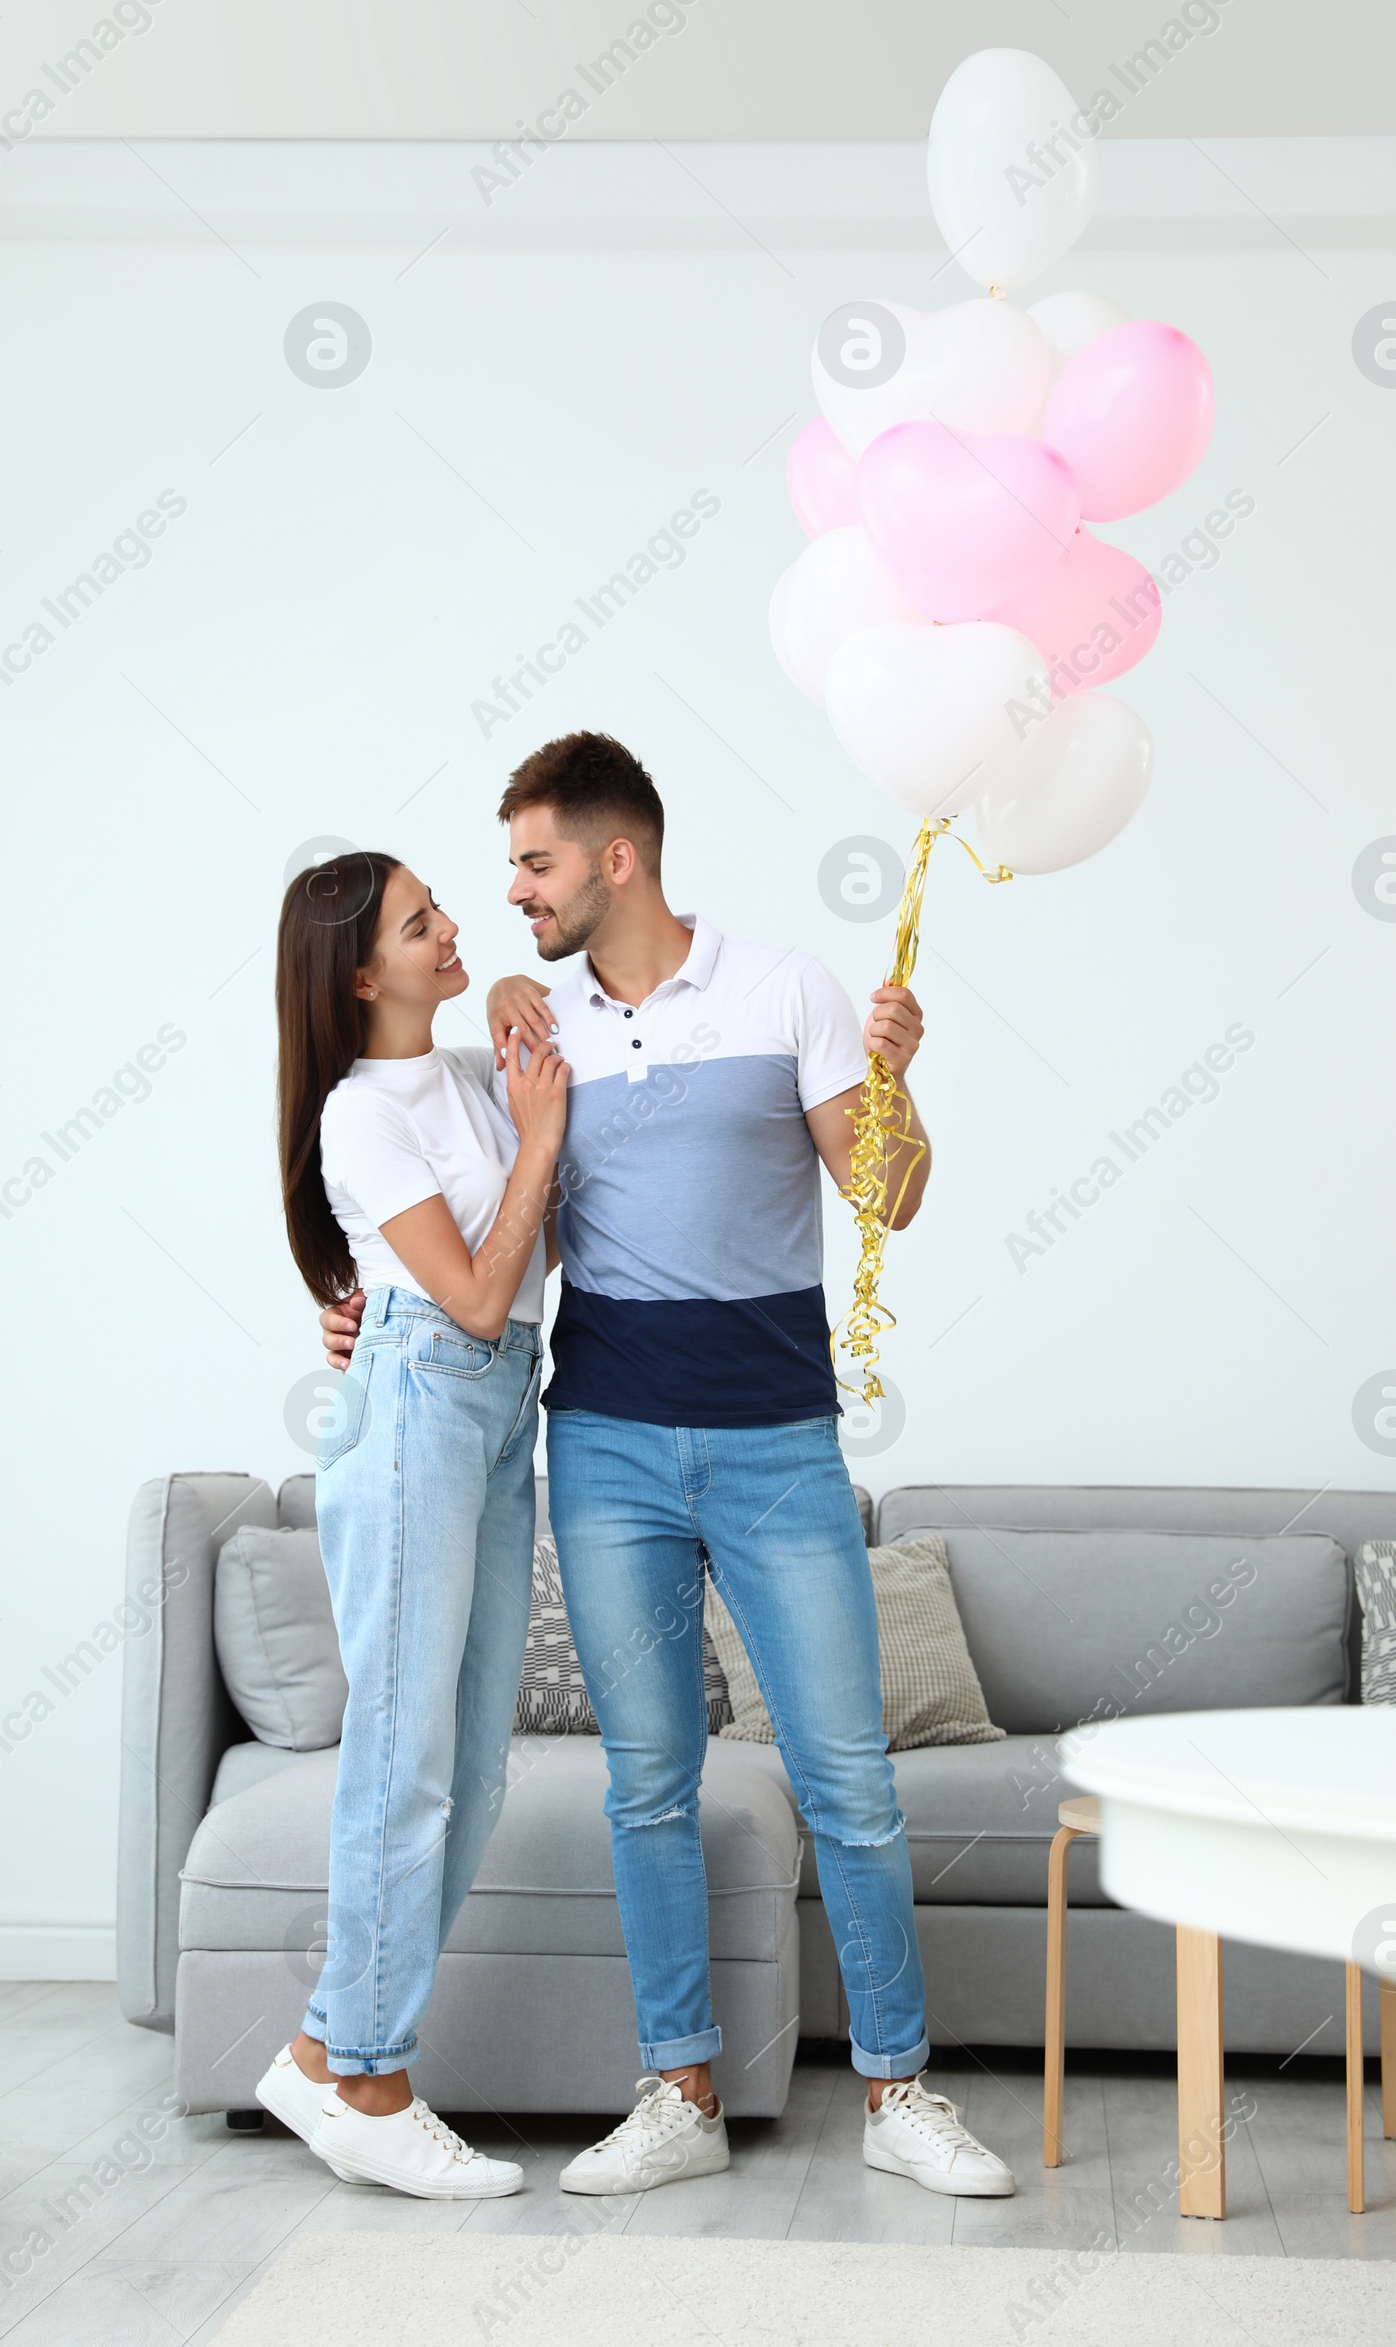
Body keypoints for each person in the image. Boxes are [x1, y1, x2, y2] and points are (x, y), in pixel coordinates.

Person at [323, 734, 1015, 2202]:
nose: (512, 893)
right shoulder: (528, 1030)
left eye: (532, 862)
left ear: (613, 858)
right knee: (651, 1786)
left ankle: (901, 2091)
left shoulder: (787, 991)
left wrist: (899, 1078)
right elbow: (457, 1202)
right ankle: (679, 2092)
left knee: (851, 1783)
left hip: (777, 1447)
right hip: (607, 1448)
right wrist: (363, 1317)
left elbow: (884, 1192)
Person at [257, 849, 566, 2199]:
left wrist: (504, 994)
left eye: (444, 908)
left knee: (474, 1768)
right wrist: (543, 1131)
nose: (453, 928)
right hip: (428, 1399)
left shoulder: (450, 1074)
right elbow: (478, 1295)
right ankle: (374, 2086)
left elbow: (517, 1274)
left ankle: (322, 2051)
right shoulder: (354, 1115)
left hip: (497, 1408)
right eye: (420, 922)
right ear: (360, 973)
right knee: (404, 1761)